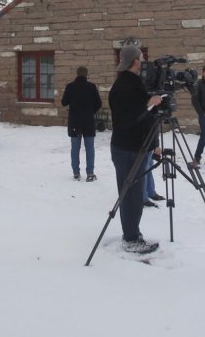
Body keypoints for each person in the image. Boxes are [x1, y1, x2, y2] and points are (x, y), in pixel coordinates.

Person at [109, 45, 163, 254]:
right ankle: (131, 238)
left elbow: (145, 115)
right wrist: (148, 105)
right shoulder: (123, 86)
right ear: (134, 61)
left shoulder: (136, 83)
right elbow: (125, 120)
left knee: (134, 194)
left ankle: (132, 233)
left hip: (137, 146)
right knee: (131, 195)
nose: (144, 60)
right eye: (142, 57)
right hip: (127, 148)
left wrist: (153, 105)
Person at [61, 66, 103, 181]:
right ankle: (90, 173)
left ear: (77, 74)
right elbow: (99, 103)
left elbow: (64, 102)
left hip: (74, 122)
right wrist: (91, 111)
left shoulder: (70, 87)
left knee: (75, 148)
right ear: (86, 74)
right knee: (90, 148)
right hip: (88, 121)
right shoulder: (91, 87)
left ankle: (76, 172)